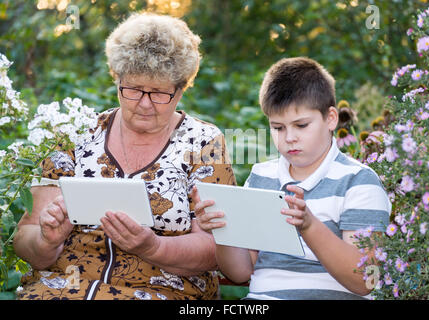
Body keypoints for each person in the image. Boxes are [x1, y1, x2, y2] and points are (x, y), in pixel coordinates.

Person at [13, 12, 236, 300]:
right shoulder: (74, 134)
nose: (144, 104)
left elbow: (216, 248)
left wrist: (152, 248)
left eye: (158, 93)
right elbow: (25, 238)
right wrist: (46, 241)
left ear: (181, 89)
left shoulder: (204, 143)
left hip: (161, 292)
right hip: (60, 290)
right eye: (132, 89)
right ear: (116, 79)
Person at [192, 57, 391, 300]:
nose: (289, 138)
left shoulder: (358, 181)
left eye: (301, 125)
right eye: (278, 127)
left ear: (331, 118)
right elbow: (241, 272)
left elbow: (365, 281)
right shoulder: (261, 176)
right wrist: (221, 232)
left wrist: (309, 226)